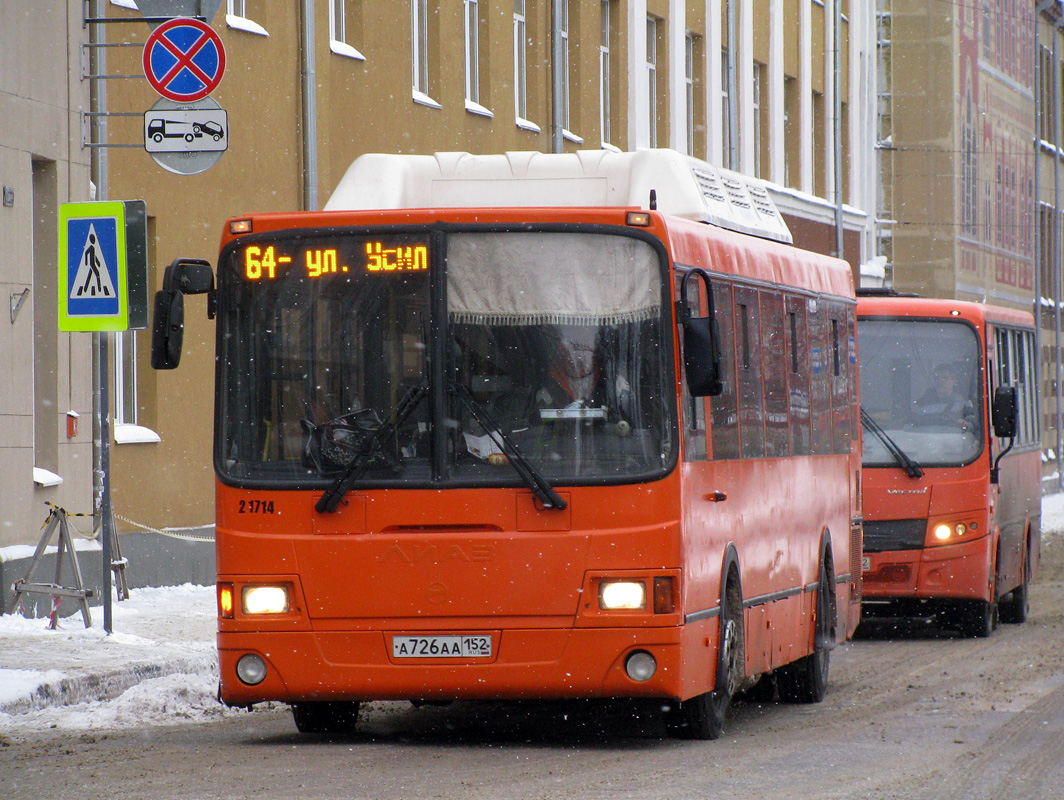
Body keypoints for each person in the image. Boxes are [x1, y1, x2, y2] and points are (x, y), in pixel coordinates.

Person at [914, 362, 976, 431]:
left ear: (954, 381)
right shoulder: (921, 404)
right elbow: (912, 428)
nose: (939, 381)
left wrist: (966, 425)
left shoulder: (964, 404)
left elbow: (974, 430)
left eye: (944, 378)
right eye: (936, 378)